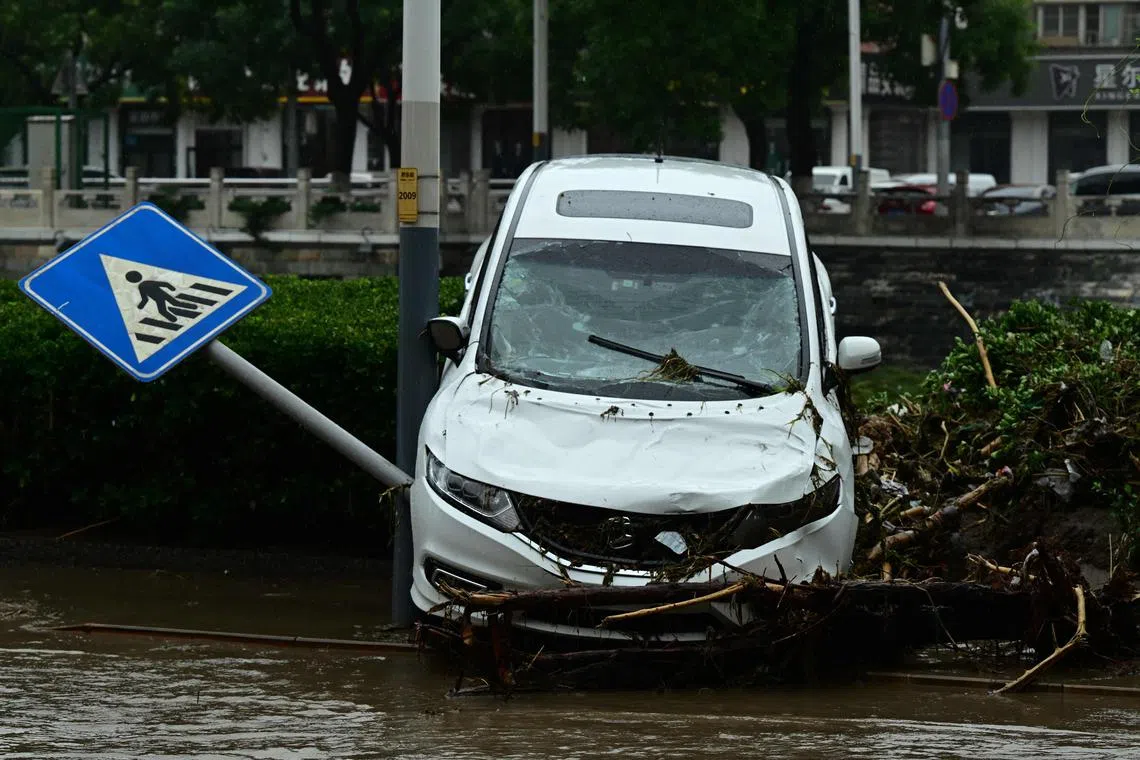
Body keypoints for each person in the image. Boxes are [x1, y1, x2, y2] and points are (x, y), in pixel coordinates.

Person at [126, 270, 200, 323]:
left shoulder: (141, 286)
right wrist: (172, 288)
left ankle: (174, 320)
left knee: (163, 311)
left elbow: (145, 299)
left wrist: (140, 307)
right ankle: (193, 307)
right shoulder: (148, 282)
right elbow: (164, 284)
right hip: (164, 295)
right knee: (176, 303)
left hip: (159, 299)